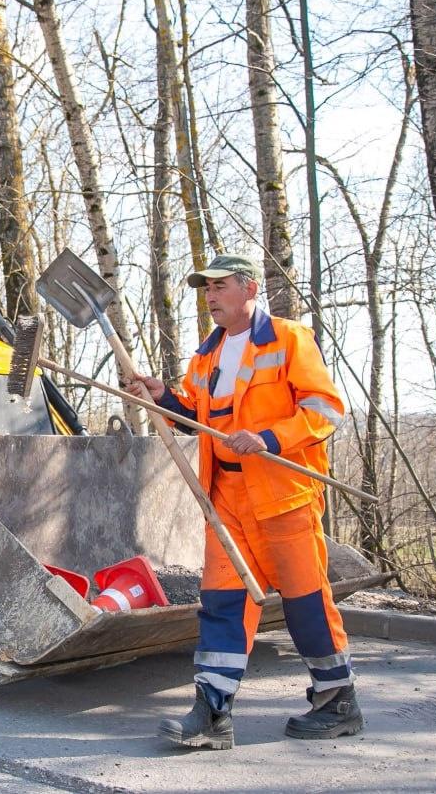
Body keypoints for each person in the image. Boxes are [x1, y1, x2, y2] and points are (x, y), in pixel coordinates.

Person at [122, 254, 361, 750]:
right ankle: (212, 712)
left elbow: (325, 409)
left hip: (282, 495)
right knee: (222, 604)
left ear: (249, 288)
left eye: (219, 286)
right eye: (205, 289)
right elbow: (194, 414)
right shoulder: (205, 357)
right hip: (226, 498)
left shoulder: (291, 339)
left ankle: (337, 701)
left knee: (306, 602)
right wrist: (161, 394)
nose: (209, 297)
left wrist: (271, 438)